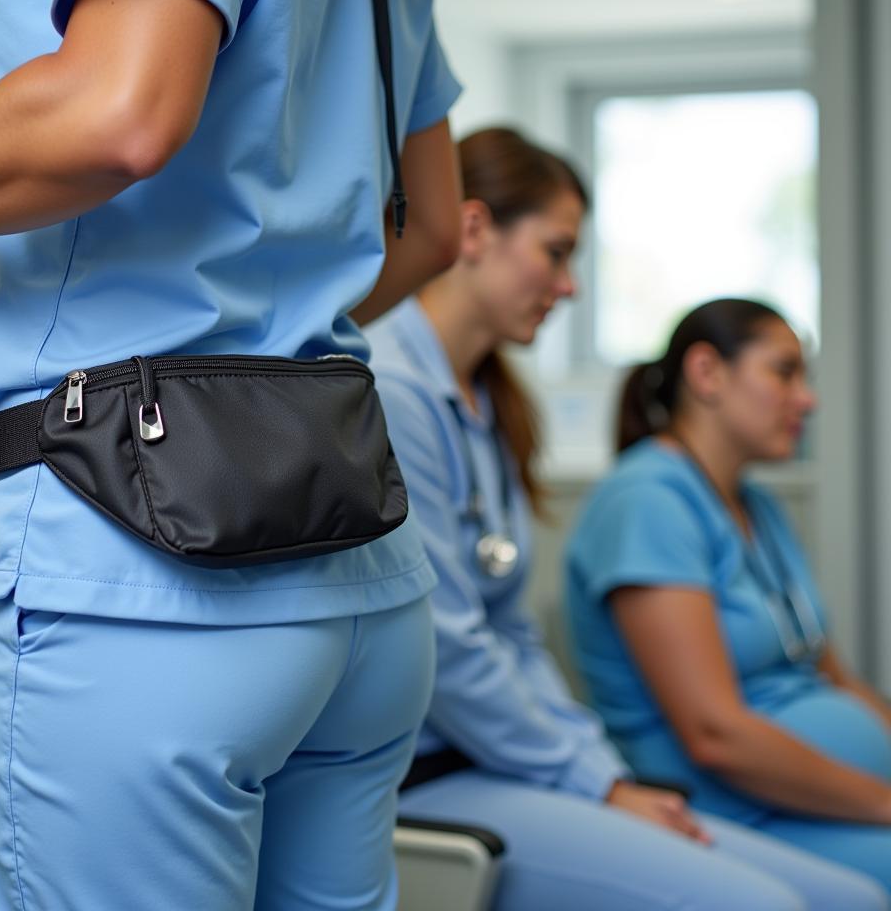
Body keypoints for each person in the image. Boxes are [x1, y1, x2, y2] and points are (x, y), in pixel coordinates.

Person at [0, 0, 465, 908]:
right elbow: (433, 225)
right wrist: (255, 340)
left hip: (135, 564)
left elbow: (120, 112)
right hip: (360, 587)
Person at [367, 128, 888, 910]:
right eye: (556, 251)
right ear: (474, 230)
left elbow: (513, 638)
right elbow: (447, 648)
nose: (570, 285)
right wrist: (595, 781)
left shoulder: (488, 412)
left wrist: (595, 770)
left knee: (846, 896)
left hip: (508, 766)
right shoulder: (390, 393)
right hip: (427, 777)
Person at [567, 297, 891, 894]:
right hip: (732, 810)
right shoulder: (647, 502)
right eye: (784, 371)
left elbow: (832, 675)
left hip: (813, 804)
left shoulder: (756, 507)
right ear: (707, 373)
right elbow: (716, 735)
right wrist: (881, 802)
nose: (807, 400)